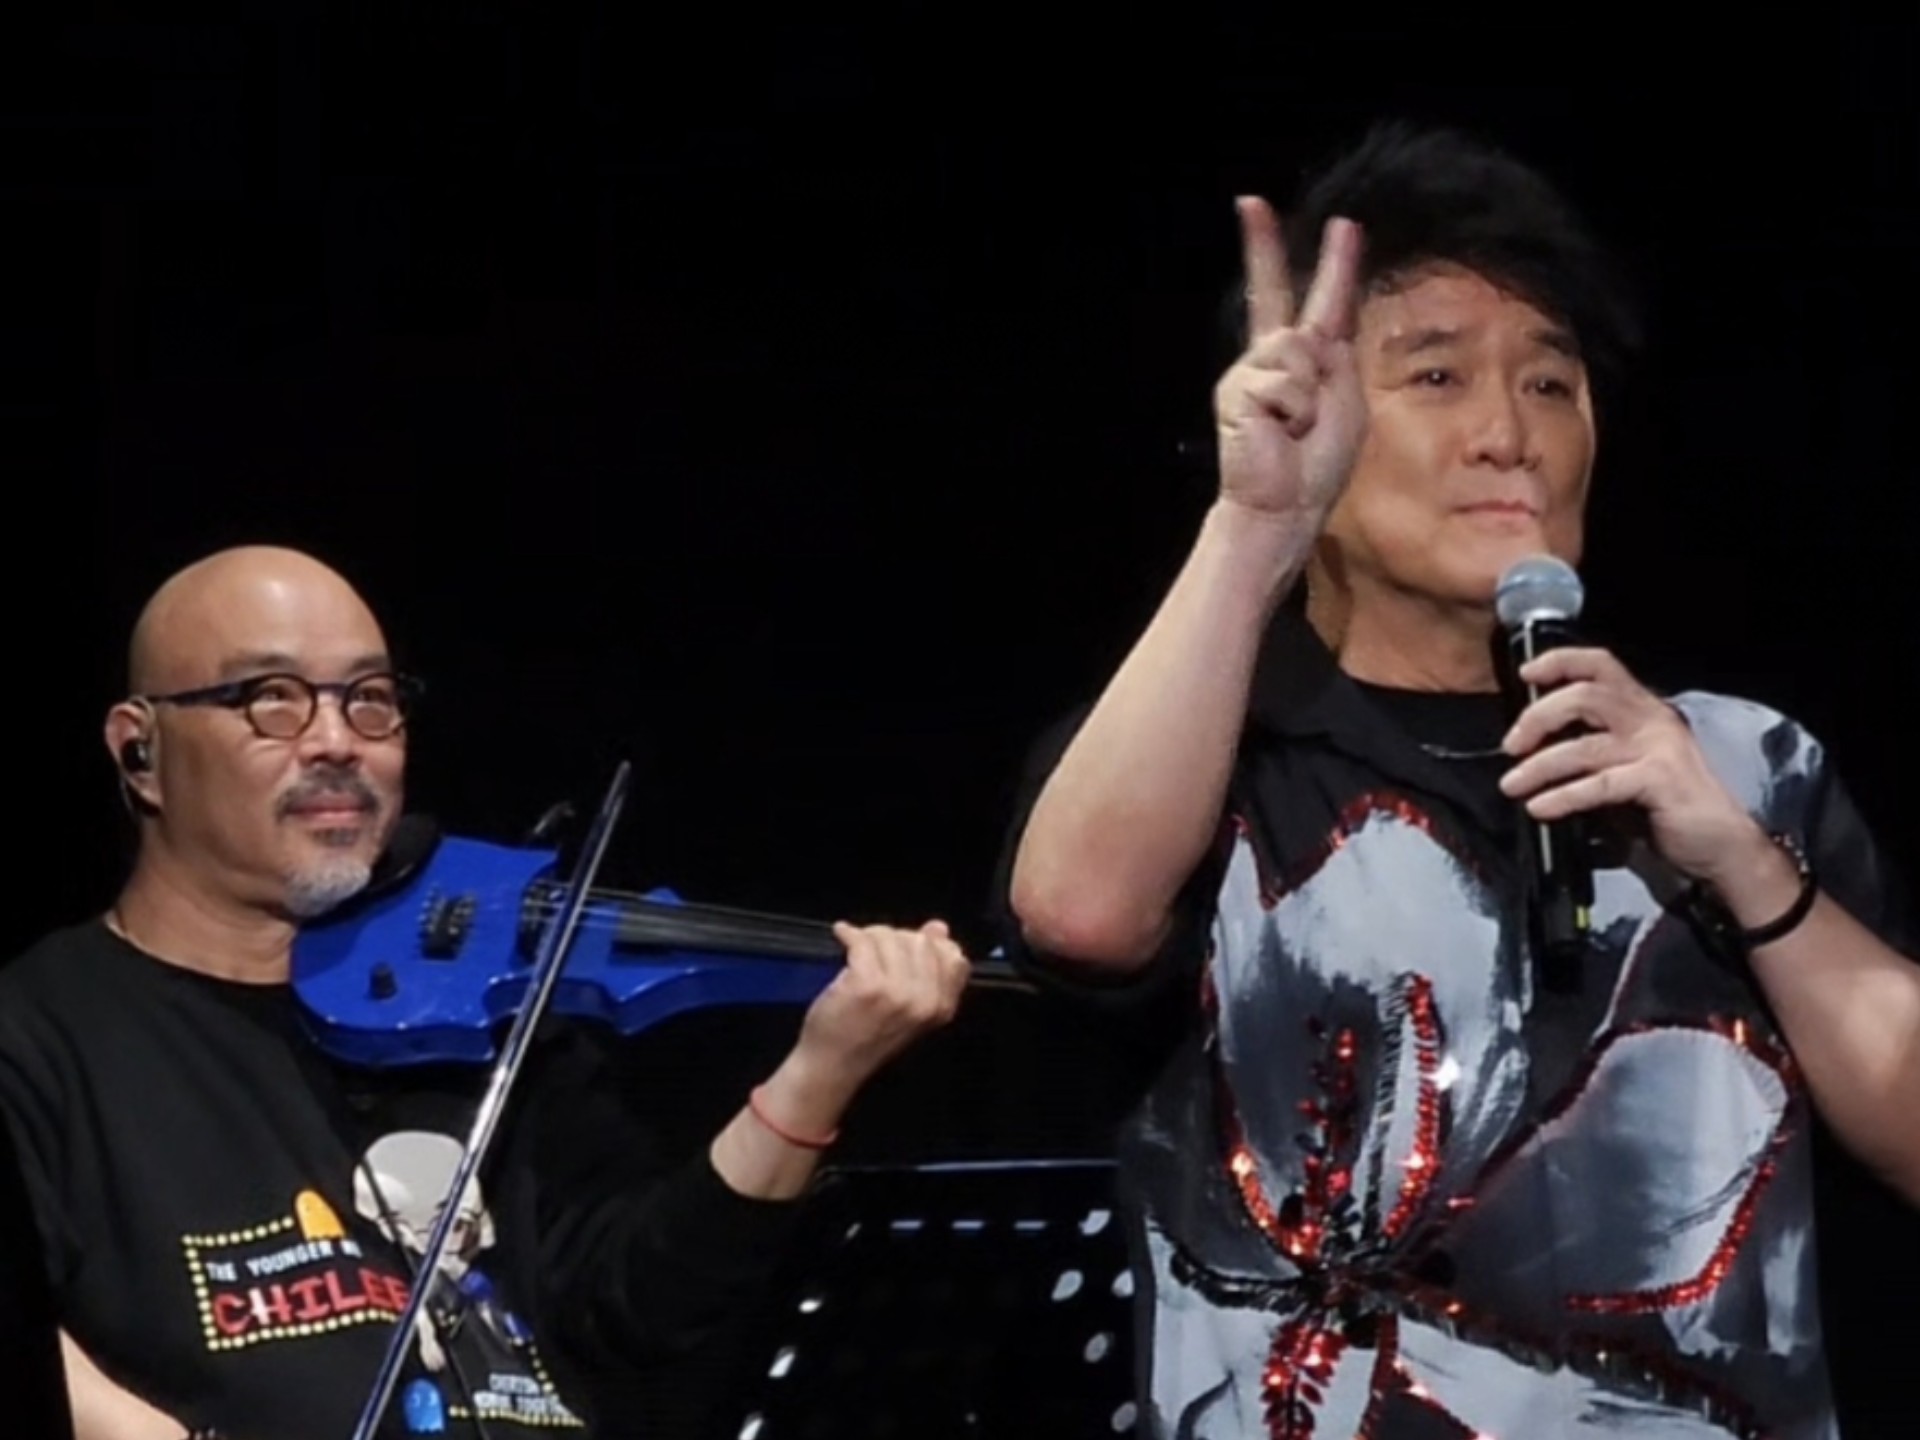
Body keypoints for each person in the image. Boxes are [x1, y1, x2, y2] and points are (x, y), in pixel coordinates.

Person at [996, 122, 1920, 1439]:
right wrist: (1259, 524)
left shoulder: (1741, 767)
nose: (1508, 434)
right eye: (1436, 376)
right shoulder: (1212, 751)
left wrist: (1747, 869)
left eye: (1551, 382)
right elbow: (1077, 914)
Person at [0, 543, 973, 1439]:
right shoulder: (42, 1035)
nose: (337, 740)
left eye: (370, 699)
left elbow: (635, 1311)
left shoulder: (477, 1012)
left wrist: (821, 1069)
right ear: (140, 751)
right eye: (273, 699)